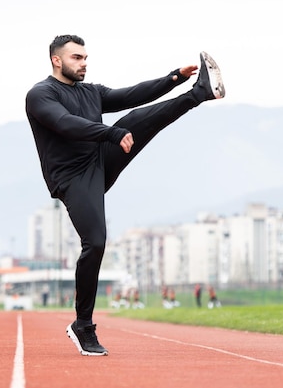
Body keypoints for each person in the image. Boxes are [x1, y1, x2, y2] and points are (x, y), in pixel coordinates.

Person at [25, 34, 225, 356]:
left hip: (99, 158)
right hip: (73, 178)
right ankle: (83, 325)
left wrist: (173, 78)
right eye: (77, 58)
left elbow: (131, 95)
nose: (84, 63)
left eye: (86, 58)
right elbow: (66, 124)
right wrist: (111, 133)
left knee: (137, 119)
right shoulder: (40, 95)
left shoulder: (91, 93)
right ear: (56, 60)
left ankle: (199, 92)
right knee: (96, 242)